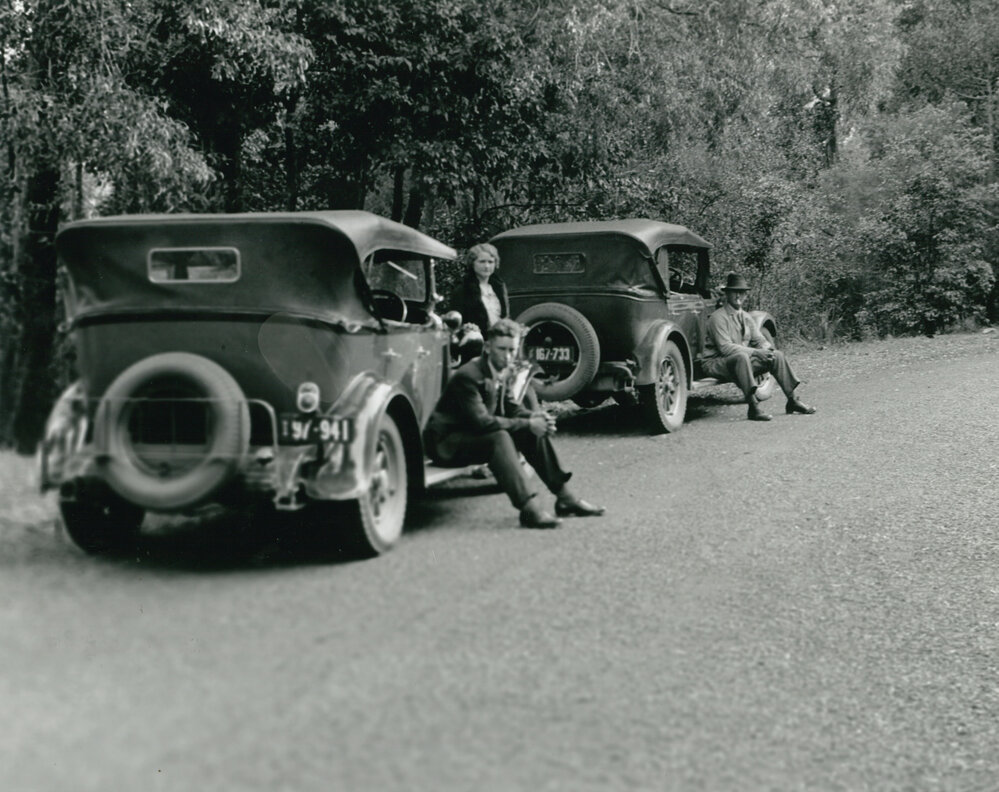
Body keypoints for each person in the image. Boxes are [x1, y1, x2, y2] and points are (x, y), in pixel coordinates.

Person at [424, 318, 605, 528]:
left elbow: (511, 407)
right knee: (499, 437)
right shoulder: (469, 376)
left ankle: (565, 498)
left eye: (512, 350)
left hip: (472, 434)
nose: (508, 356)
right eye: (502, 349)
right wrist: (527, 424)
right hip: (446, 444)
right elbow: (482, 423)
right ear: (488, 347)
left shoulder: (503, 369)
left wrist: (533, 419)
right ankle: (528, 509)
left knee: (530, 430)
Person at [701, 273, 817, 422]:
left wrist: (767, 350)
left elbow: (759, 339)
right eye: (735, 292)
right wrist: (756, 352)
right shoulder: (718, 317)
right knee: (742, 357)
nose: (739, 296)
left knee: (777, 355)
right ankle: (753, 407)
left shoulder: (746, 316)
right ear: (727, 294)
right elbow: (725, 348)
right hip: (716, 362)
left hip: (738, 361)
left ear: (746, 295)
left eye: (742, 292)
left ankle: (792, 400)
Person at [447, 242, 509, 334]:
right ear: (472, 263)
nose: (487, 266)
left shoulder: (499, 288)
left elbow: (505, 317)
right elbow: (455, 324)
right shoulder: (463, 290)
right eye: (482, 261)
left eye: (490, 262)